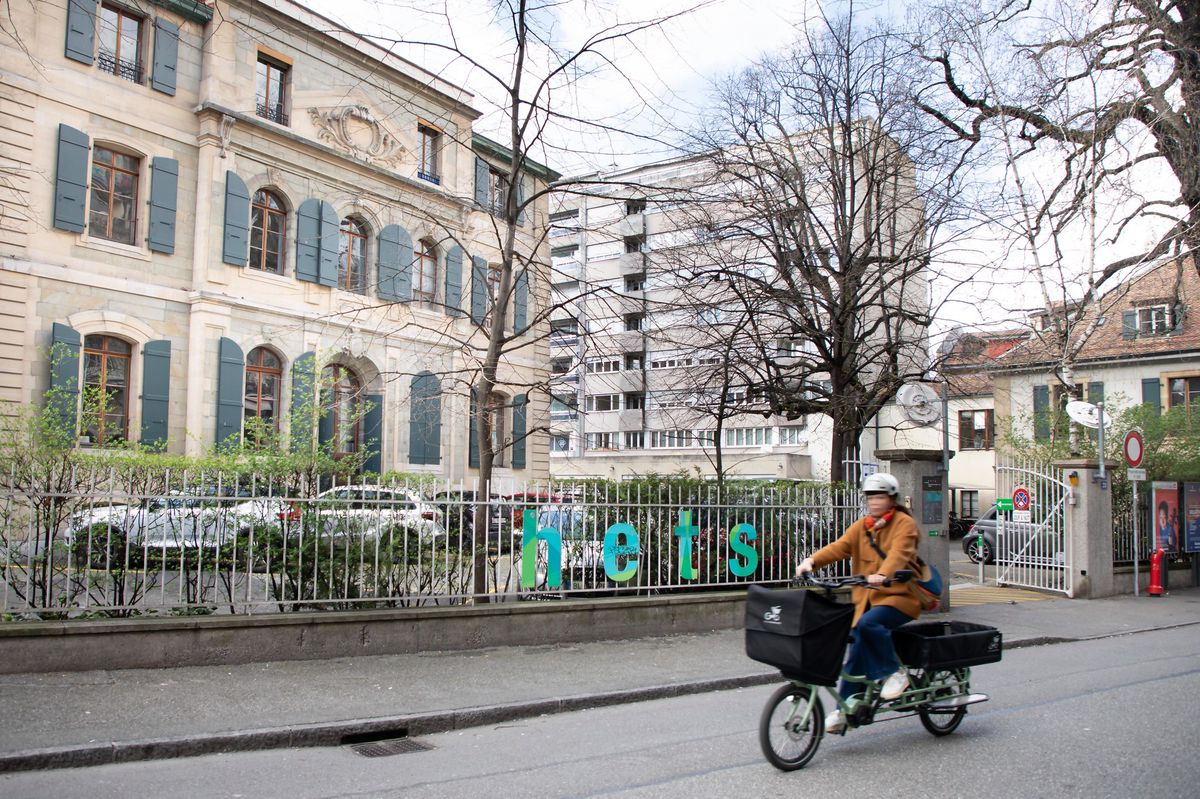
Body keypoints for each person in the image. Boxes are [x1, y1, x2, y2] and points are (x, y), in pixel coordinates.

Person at [796, 472, 924, 733]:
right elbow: (840, 547)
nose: (874, 502)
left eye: (880, 496)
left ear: (892, 499)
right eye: (870, 497)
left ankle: (894, 673)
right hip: (866, 600)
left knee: (869, 625)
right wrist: (812, 561)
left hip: (899, 597)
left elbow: (899, 554)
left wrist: (883, 575)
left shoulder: (904, 524)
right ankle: (844, 710)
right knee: (855, 652)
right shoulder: (863, 526)